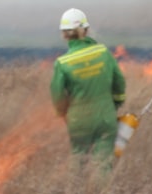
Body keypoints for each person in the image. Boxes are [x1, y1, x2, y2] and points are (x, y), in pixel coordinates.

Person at [50, 8, 126, 169]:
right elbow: (119, 81)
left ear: (64, 34)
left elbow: (57, 95)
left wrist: (63, 114)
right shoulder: (103, 52)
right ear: (85, 30)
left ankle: (75, 193)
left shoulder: (63, 63)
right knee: (103, 163)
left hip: (78, 120)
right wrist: (117, 103)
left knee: (78, 159)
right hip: (105, 116)